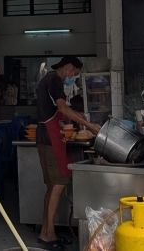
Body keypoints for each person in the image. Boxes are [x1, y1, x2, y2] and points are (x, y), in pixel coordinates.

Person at [35, 56, 101, 251]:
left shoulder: (50, 79)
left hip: (48, 137)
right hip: (50, 138)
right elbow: (62, 107)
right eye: (76, 74)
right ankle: (48, 235)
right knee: (57, 185)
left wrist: (77, 115)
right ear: (69, 67)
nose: (74, 78)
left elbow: (60, 109)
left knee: (52, 187)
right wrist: (89, 125)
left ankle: (47, 232)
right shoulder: (55, 79)